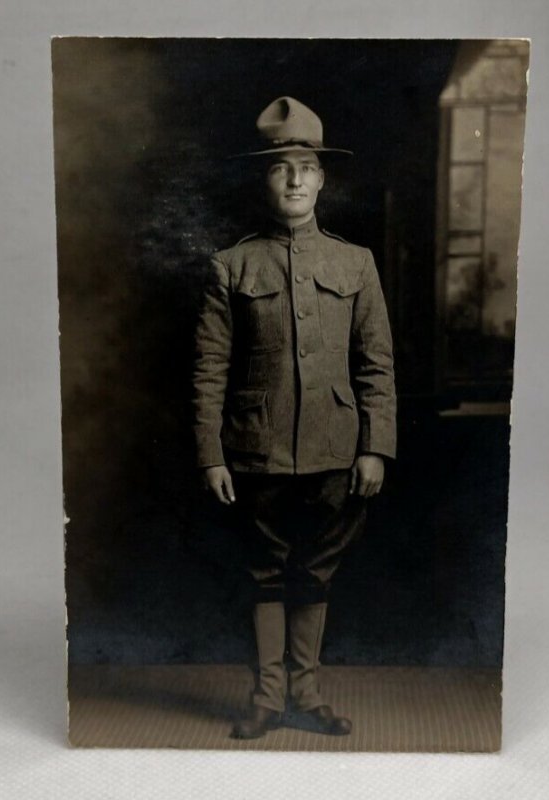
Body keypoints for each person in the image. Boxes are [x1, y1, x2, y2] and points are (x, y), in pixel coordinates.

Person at [192, 96, 396, 739]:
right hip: (257, 449)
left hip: (339, 449)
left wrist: (375, 446)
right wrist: (210, 453)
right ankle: (266, 698)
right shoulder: (232, 265)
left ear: (323, 177)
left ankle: (306, 695)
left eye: (306, 165)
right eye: (282, 166)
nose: (296, 178)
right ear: (265, 177)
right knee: (265, 570)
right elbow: (209, 370)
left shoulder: (355, 262)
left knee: (318, 570)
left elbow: (377, 366)